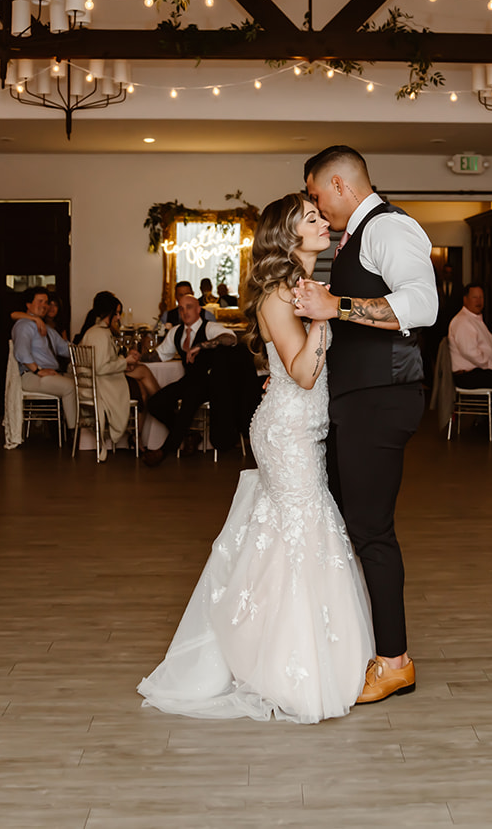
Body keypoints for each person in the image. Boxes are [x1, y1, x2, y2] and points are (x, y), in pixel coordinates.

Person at [139, 193, 374, 723]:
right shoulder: (279, 292)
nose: (322, 223)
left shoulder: (303, 288)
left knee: (288, 534)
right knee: (299, 531)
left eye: (319, 215)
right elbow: (304, 372)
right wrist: (321, 318)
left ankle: (284, 649)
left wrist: (323, 304)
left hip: (297, 424)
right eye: (310, 219)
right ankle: (282, 664)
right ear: (287, 236)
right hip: (289, 430)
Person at [292, 147, 437, 706]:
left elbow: (421, 305)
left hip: (383, 398)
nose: (314, 203)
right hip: (358, 398)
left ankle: (395, 661)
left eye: (315, 193)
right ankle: (356, 642)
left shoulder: (390, 227)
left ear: (337, 183)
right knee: (349, 521)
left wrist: (338, 306)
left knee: (372, 528)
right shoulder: (356, 235)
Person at [140, 294, 240, 468]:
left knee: (189, 401)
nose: (185, 311)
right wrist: (139, 356)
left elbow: (230, 339)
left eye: (189, 307)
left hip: (211, 383)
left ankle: (164, 451)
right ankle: (187, 435)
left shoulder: (210, 328)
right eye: (181, 308)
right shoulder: (176, 332)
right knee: (155, 403)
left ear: (198, 309)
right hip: (189, 381)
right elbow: (158, 355)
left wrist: (201, 346)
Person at [79, 291, 159, 451]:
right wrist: (125, 361)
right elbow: (101, 368)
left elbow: (105, 360)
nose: (118, 318)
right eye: (117, 313)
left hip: (101, 381)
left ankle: (138, 436)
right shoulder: (99, 334)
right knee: (142, 375)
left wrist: (125, 360)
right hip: (102, 386)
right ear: (110, 313)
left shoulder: (97, 331)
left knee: (141, 381)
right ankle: (163, 406)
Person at [12, 287, 77, 430]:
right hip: (30, 376)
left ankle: (80, 429)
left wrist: (88, 349)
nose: (44, 305)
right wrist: (38, 370)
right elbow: (22, 353)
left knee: (81, 382)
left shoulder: (45, 328)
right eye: (40, 301)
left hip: (48, 373)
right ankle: (74, 431)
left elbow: (65, 348)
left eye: (46, 302)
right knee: (70, 387)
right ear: (28, 305)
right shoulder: (24, 326)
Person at [447, 284, 492, 396]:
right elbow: (470, 352)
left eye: (481, 297)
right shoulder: (463, 321)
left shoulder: (475, 319)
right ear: (465, 299)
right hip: (467, 375)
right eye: (474, 297)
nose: (479, 301)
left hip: (479, 370)